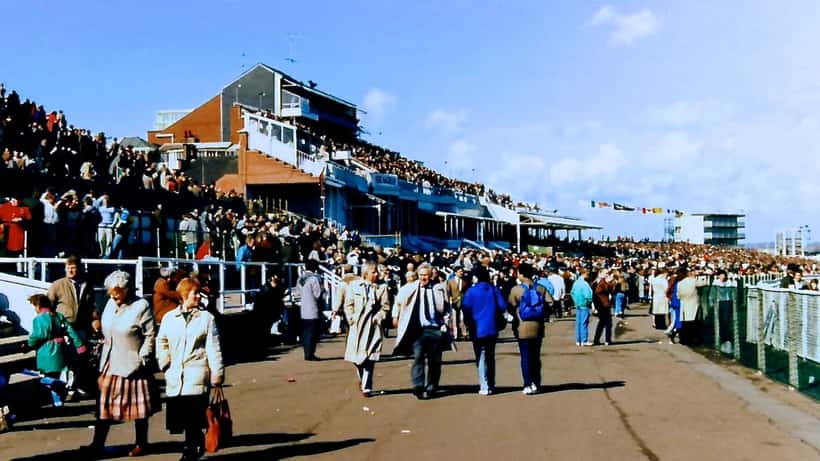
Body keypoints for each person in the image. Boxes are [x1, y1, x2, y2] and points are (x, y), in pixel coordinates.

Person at [82, 270, 158, 458]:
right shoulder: (110, 303)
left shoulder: (142, 306)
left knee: (138, 407)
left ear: (127, 290)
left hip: (133, 362)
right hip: (110, 360)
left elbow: (150, 335)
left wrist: (143, 358)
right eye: (111, 295)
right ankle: (97, 443)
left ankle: (141, 442)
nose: (114, 298)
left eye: (117, 295)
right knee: (103, 405)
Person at [156, 278, 224, 461]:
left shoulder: (206, 319)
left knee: (194, 417)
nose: (198, 296)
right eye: (194, 293)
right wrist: (165, 362)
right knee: (183, 417)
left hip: (196, 374)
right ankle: (194, 444)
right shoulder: (169, 318)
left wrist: (217, 373)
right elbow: (161, 341)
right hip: (176, 375)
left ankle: (190, 449)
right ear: (184, 295)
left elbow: (213, 347)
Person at [392, 263, 450, 400]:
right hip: (417, 329)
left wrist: (446, 324)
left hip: (434, 328)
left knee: (434, 361)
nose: (423, 278)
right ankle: (418, 385)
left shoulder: (439, 289)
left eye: (426, 275)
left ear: (431, 276)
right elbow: (398, 302)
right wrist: (395, 316)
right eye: (421, 275)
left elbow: (447, 309)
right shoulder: (409, 289)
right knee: (418, 357)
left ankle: (431, 387)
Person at [47, 255, 97, 397]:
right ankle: (66, 388)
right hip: (64, 328)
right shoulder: (58, 285)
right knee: (66, 358)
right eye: (68, 268)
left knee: (79, 358)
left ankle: (76, 384)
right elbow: (48, 307)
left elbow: (91, 305)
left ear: (79, 268)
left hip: (81, 327)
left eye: (73, 268)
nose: (71, 271)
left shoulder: (86, 284)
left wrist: (94, 319)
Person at [26, 294, 86, 407]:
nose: (34, 309)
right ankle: (57, 402)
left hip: (46, 351)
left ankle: (63, 386)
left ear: (38, 305)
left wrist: (28, 345)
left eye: (34, 306)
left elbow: (38, 335)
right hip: (60, 350)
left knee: (44, 378)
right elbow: (71, 331)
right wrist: (79, 345)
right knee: (55, 376)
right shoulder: (59, 316)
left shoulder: (39, 319)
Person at [343, 263, 390, 397]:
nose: (377, 274)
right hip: (357, 326)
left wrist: (379, 317)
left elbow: (385, 307)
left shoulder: (382, 288)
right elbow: (348, 304)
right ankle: (362, 376)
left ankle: (367, 386)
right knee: (356, 358)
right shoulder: (354, 286)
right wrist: (351, 318)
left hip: (373, 326)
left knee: (370, 356)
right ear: (366, 273)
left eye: (377, 272)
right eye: (373, 272)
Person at [461, 266, 506, 395]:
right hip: (492, 327)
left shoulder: (471, 291)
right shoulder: (494, 290)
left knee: (480, 356)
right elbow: (502, 306)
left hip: (477, 328)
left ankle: (484, 385)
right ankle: (491, 384)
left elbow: (465, 308)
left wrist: (468, 323)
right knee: (490, 356)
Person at [507, 263, 548, 395]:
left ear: (522, 274)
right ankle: (537, 383)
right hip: (538, 326)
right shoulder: (541, 288)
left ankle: (527, 384)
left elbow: (510, 306)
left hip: (522, 326)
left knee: (525, 356)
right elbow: (550, 303)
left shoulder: (516, 289)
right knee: (536, 356)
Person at [299, 259, 325, 361]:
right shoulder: (314, 279)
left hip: (303, 307)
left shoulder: (301, 278)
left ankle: (307, 352)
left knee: (306, 332)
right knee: (312, 333)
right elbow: (317, 294)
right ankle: (310, 354)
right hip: (313, 308)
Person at [446, 266, 471, 340]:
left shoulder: (465, 281)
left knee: (463, 318)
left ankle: (465, 334)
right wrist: (449, 299)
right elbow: (448, 291)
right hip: (454, 302)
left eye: (462, 271)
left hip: (463, 302)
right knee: (454, 319)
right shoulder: (450, 281)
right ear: (455, 272)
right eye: (460, 271)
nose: (462, 273)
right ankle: (456, 335)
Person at [571, 268, 594, 346]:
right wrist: (589, 302)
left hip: (578, 304)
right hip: (584, 304)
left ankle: (578, 340)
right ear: (585, 274)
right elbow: (588, 295)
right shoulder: (584, 284)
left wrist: (575, 301)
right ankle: (584, 340)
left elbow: (572, 293)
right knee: (584, 323)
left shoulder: (576, 283)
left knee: (578, 323)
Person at [593, 270, 614, 346]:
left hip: (605, 304)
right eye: (606, 273)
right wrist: (594, 307)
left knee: (604, 323)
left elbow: (611, 292)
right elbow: (596, 293)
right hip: (601, 305)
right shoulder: (599, 283)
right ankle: (604, 340)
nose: (607, 274)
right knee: (605, 323)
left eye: (608, 273)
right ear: (600, 273)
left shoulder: (605, 282)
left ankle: (604, 339)